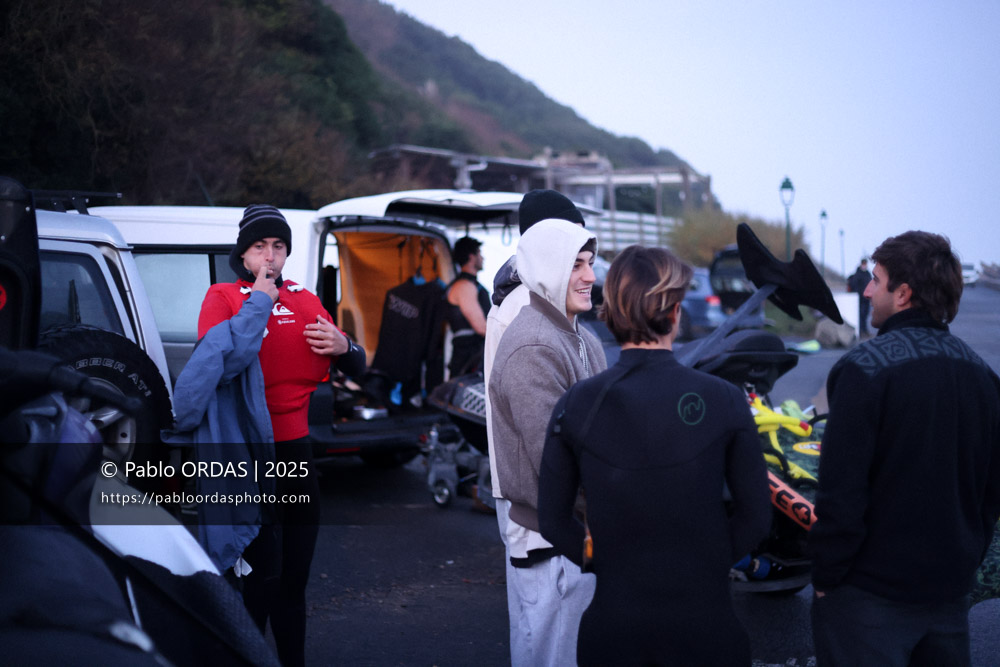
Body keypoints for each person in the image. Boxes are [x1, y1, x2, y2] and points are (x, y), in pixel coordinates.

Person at [536, 245, 771, 665]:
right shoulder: (724, 398)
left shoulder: (577, 403)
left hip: (615, 627)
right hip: (707, 626)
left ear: (613, 310)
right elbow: (756, 515)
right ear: (676, 312)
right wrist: (708, 562)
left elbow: (553, 520)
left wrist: (600, 559)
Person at [808, 231, 1000, 666]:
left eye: (876, 280)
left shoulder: (862, 370)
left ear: (903, 293)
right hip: (950, 595)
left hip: (869, 599)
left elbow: (841, 493)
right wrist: (965, 561)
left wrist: (825, 577)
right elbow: (991, 494)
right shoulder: (984, 378)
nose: (868, 290)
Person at [196, 204, 366, 667]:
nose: (270, 256)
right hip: (248, 456)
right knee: (257, 581)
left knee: (293, 584)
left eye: (278, 246)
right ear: (244, 255)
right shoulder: (223, 298)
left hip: (295, 454)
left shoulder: (305, 299)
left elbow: (359, 365)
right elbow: (219, 366)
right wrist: (260, 300)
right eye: (259, 247)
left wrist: (346, 347)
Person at [489, 218, 605, 665]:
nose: (590, 276)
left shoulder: (580, 336)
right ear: (547, 268)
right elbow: (554, 465)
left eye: (591, 263)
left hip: (577, 537)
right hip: (551, 546)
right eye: (575, 264)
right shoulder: (535, 346)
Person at [445, 236, 490, 376]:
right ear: (472, 256)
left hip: (471, 357)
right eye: (480, 253)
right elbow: (481, 327)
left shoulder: (468, 285)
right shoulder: (464, 286)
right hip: (468, 360)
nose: (483, 258)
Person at [848, 258, 873, 336]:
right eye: (864, 263)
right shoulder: (858, 274)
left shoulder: (868, 273)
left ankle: (865, 330)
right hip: (860, 299)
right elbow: (855, 285)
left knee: (865, 315)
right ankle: (861, 331)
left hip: (867, 299)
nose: (864, 265)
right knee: (860, 315)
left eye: (865, 263)